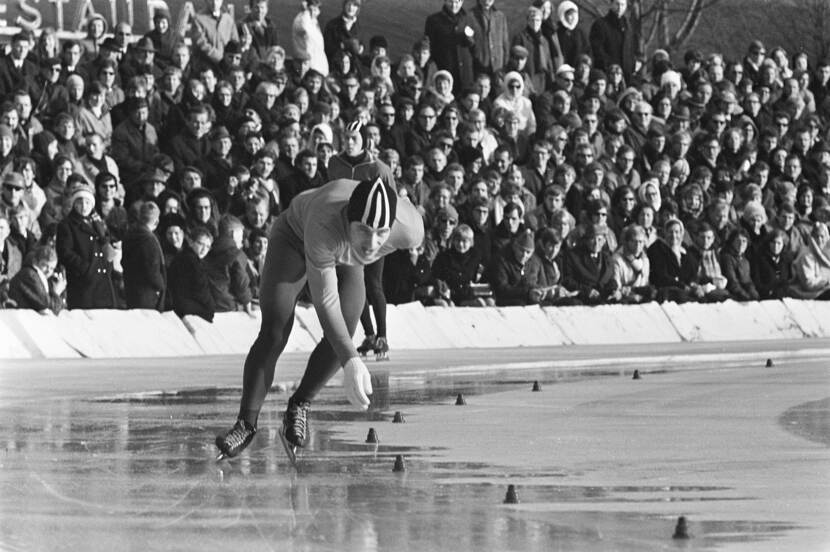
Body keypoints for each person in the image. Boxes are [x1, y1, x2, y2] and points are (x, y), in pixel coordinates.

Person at [214, 177, 423, 459]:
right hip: (295, 238)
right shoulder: (325, 223)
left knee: (347, 327)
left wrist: (347, 351)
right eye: (363, 230)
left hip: (346, 254)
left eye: (381, 233)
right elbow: (326, 301)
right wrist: (351, 358)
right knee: (276, 328)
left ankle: (300, 404)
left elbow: (382, 174)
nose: (372, 243)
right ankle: (246, 423)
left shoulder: (410, 230)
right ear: (348, 219)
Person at [55, 181, 117, 309]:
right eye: (79, 202)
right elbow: (65, 253)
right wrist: (86, 269)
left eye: (87, 202)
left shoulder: (98, 223)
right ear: (74, 204)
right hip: (83, 283)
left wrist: (108, 266)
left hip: (102, 282)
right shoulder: (66, 225)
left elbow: (106, 246)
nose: (84, 206)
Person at [424, 0, 476, 95]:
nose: (454, 5)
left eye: (457, 2)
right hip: (445, 68)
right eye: (450, 2)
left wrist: (470, 40)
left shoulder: (469, 18)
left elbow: (474, 47)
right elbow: (430, 47)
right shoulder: (433, 20)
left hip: (466, 73)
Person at [122, 201, 166, 310]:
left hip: (132, 292)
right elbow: (152, 272)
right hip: (149, 297)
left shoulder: (129, 235)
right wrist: (162, 286)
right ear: (156, 221)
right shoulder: (149, 240)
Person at [589, 0, 637, 82]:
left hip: (626, 75)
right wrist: (610, 67)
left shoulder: (628, 26)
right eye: (617, 4)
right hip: (607, 74)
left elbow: (631, 49)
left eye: (622, 4)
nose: (620, 7)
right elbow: (597, 50)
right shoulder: (600, 24)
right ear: (611, 4)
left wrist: (632, 65)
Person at [292, 0, 329, 77]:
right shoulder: (300, 19)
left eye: (316, 10)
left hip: (319, 68)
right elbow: (304, 28)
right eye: (311, 9)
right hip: (308, 68)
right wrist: (306, 11)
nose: (314, 12)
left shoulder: (313, 22)